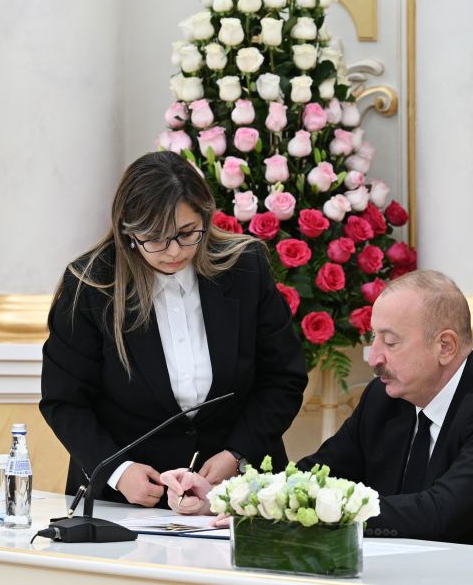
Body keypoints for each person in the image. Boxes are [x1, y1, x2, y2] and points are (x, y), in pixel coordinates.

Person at [162, 270, 473, 550]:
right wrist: (231, 497)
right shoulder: (385, 398)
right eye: (373, 338)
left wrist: (300, 513)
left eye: (390, 342)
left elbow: (440, 513)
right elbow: (317, 473)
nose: (373, 357)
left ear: (445, 346)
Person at [40, 151, 308, 509]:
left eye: (186, 233)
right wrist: (119, 471)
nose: (173, 251)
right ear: (128, 231)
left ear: (205, 217)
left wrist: (237, 454)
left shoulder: (246, 268)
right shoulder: (91, 285)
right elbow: (64, 401)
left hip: (237, 494)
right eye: (155, 238)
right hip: (125, 502)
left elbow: (283, 378)